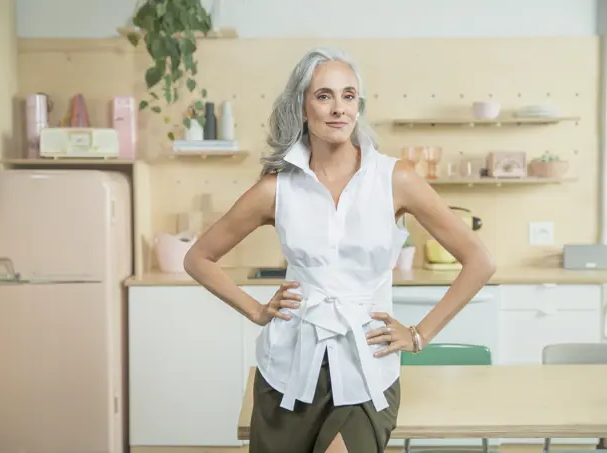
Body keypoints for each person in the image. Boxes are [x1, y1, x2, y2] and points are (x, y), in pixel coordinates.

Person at [184, 47, 496, 453]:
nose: (338, 109)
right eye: (324, 95)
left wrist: (420, 335)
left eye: (349, 96)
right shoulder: (275, 188)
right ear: (302, 106)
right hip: (288, 370)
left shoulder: (394, 178)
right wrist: (256, 311)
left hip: (366, 367)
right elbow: (198, 258)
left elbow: (480, 262)